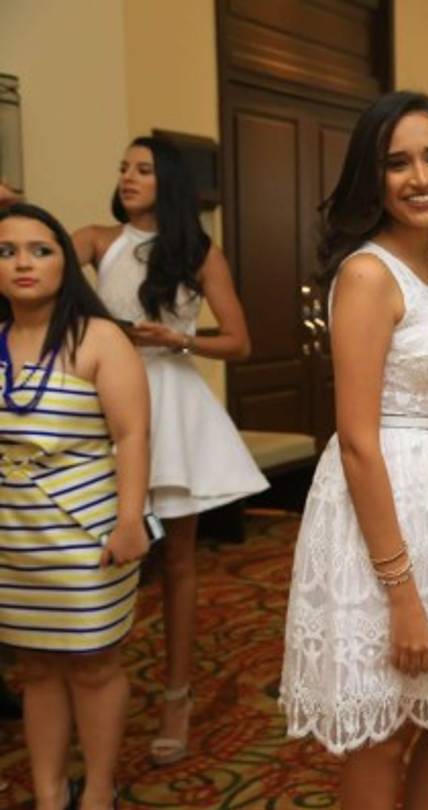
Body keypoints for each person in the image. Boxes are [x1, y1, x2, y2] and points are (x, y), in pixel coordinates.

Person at [279, 90, 428, 810]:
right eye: (397, 164)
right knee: (384, 734)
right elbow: (357, 441)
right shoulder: (366, 274)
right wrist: (403, 592)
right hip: (378, 514)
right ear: (372, 177)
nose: (422, 177)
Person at [72, 136, 268, 765]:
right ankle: (93, 684)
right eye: (123, 167)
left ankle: (175, 697)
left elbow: (239, 341)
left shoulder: (200, 252)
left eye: (143, 169)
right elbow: (32, 255)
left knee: (179, 559)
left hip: (173, 402)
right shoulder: (97, 239)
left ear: (170, 181)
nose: (128, 177)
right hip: (105, 394)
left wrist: (178, 340)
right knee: (95, 550)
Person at [0, 202, 151, 810]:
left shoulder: (98, 337)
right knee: (35, 669)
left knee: (92, 664)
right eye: (6, 252)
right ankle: (47, 792)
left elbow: (133, 435)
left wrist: (129, 518)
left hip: (86, 530)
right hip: (13, 536)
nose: (23, 263)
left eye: (41, 249)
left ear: (67, 259)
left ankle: (95, 792)